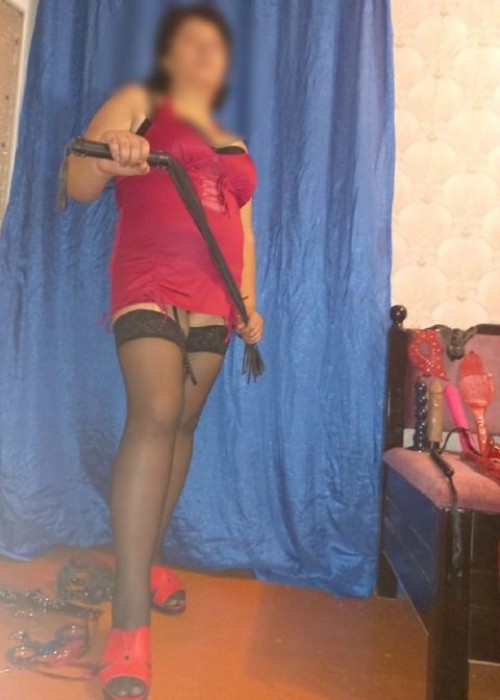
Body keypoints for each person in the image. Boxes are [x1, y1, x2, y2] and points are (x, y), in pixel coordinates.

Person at [67, 5, 263, 698]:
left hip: (216, 301)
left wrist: (249, 303)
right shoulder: (139, 101)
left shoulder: (233, 136)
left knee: (181, 424)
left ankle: (147, 560)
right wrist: (113, 153)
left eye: (215, 46)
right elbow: (78, 183)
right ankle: (128, 626)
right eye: (190, 43)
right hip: (149, 280)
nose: (204, 54)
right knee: (153, 413)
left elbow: (242, 226)